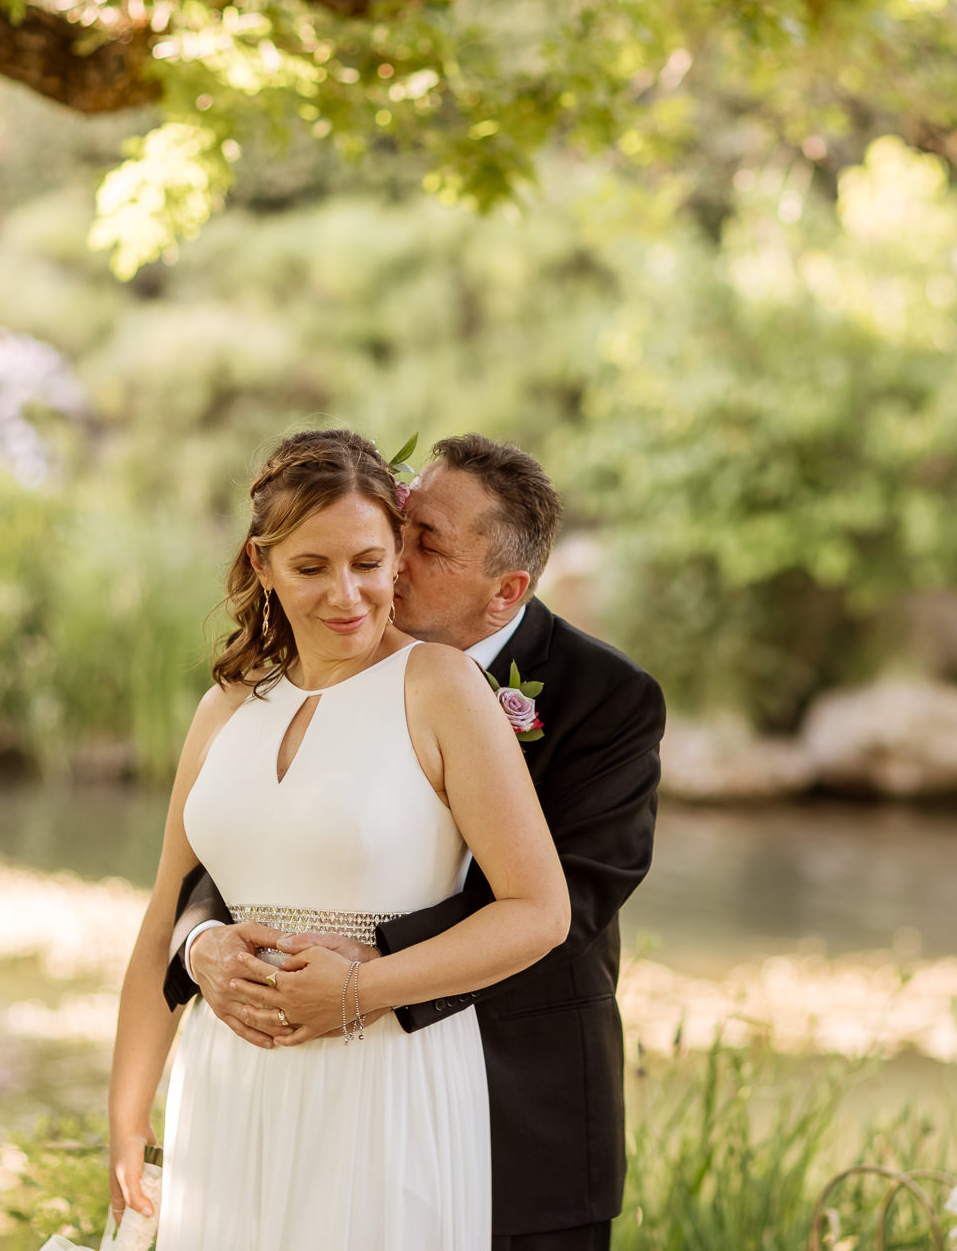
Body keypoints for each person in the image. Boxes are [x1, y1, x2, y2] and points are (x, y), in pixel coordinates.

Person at [167, 434, 667, 1251]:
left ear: (505, 593)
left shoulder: (607, 700)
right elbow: (256, 836)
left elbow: (566, 903)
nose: (389, 560)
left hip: (524, 1111)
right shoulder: (316, 663)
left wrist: (367, 966)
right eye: (403, 523)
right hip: (329, 1098)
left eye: (425, 545)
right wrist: (202, 943)